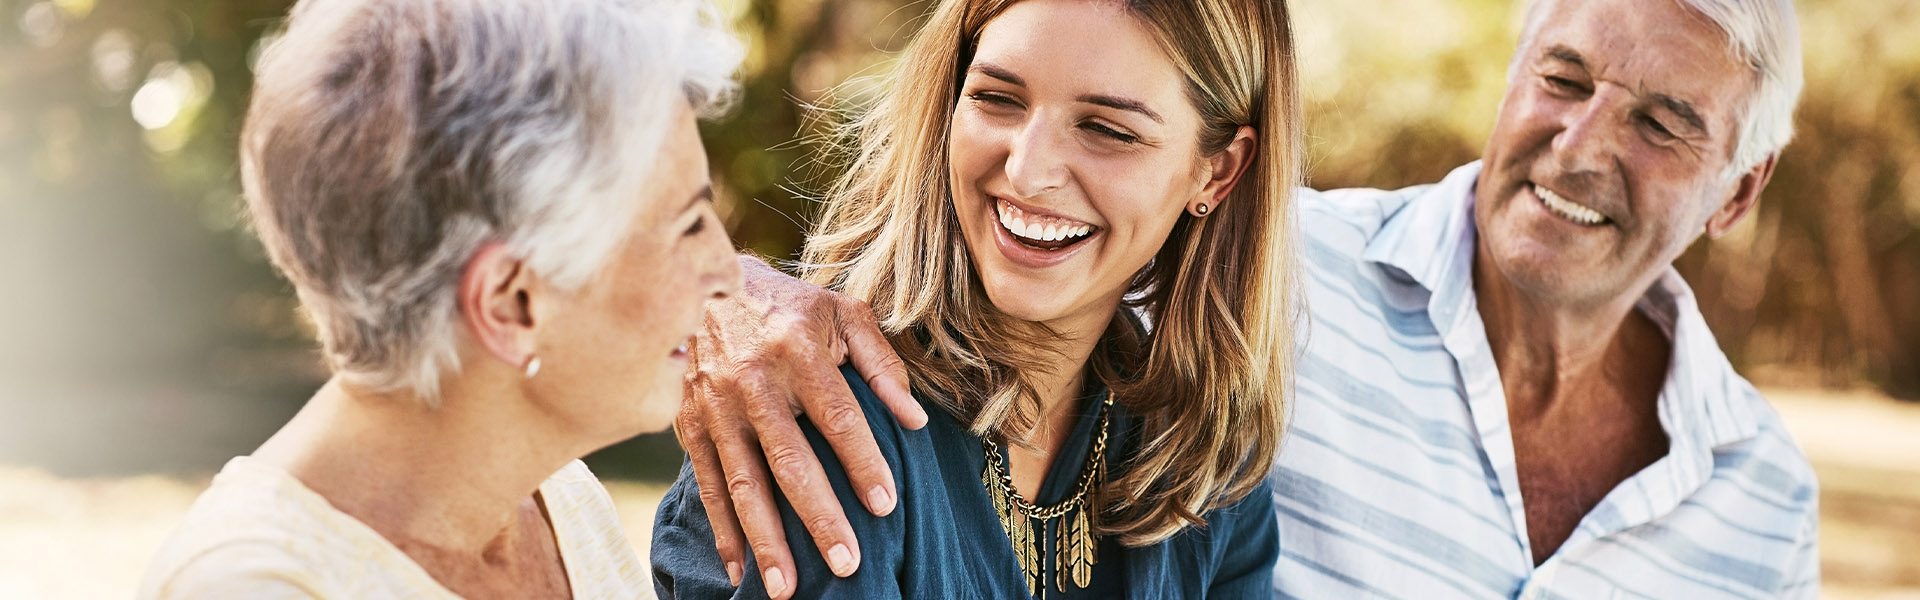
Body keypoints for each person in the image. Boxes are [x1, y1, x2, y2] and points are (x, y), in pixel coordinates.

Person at [673, 0, 1823, 597]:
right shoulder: (1293, 281)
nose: (1579, 146)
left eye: (1662, 121)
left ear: (1742, 190)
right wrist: (734, 291)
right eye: (1562, 80)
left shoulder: (1768, 504)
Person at [649, 0, 1303, 597]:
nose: (1026, 170)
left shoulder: (1205, 458)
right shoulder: (825, 409)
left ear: (1216, 170)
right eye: (997, 98)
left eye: (1108, 130)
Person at [136, 0, 743, 597]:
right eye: (689, 226)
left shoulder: (557, 498)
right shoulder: (255, 586)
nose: (729, 273)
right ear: (510, 304)